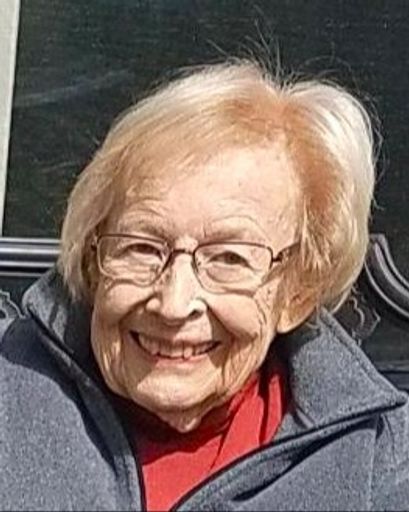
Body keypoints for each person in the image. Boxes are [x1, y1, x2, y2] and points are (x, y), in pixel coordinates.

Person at [1, 58, 408, 512]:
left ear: (297, 291)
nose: (174, 304)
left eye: (229, 258)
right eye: (141, 248)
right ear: (93, 261)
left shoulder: (380, 460)